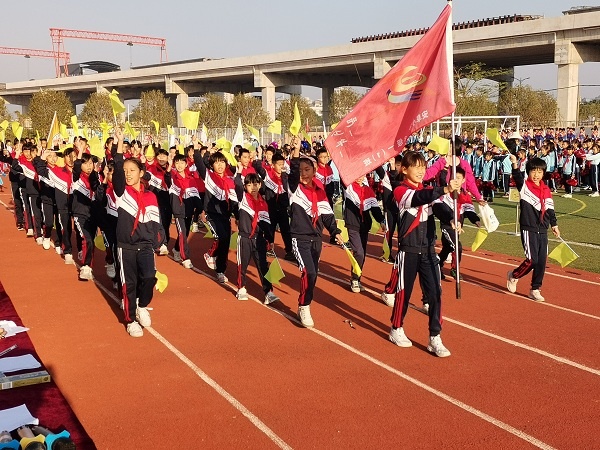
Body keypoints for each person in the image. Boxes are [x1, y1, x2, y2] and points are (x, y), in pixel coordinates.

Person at [381, 151, 460, 357]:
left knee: (435, 293)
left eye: (423, 167)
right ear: (404, 169)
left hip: (428, 250)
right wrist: (444, 188)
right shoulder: (401, 190)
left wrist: (452, 218)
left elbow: (439, 207)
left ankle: (435, 336)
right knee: (403, 293)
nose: (420, 171)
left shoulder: (428, 190)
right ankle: (396, 328)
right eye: (416, 167)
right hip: (408, 251)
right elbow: (419, 198)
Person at [112, 129, 166, 337]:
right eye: (126, 170)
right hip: (126, 246)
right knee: (129, 284)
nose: (128, 173)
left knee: (149, 277)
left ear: (141, 173)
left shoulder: (151, 196)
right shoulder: (121, 193)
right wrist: (119, 143)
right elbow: (118, 169)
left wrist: (159, 242)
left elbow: (156, 223)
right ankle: (130, 320)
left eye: (132, 170)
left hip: (145, 246)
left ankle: (142, 305)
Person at [288, 137, 342, 327]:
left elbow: (327, 215)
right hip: (299, 238)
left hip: (316, 239)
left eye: (307, 169)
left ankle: (304, 303)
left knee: (313, 275)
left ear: (314, 171)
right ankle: (304, 307)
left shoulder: (320, 191)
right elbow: (293, 171)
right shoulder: (294, 189)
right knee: (308, 272)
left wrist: (335, 231)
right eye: (301, 170)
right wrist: (296, 151)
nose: (303, 173)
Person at [506, 154, 560, 302]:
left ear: (543, 173)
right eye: (533, 171)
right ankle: (514, 275)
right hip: (528, 228)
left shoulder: (546, 190)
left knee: (541, 262)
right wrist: (515, 164)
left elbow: (550, 210)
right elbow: (517, 177)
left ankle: (535, 289)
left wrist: (554, 224)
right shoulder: (524, 187)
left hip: (543, 229)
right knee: (532, 260)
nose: (536, 175)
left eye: (539, 171)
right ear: (528, 172)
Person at [233, 172, 280, 304]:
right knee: (242, 265)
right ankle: (241, 288)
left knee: (263, 265)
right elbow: (237, 185)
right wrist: (238, 172)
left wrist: (270, 240)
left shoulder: (263, 203)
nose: (252, 187)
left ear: (260, 185)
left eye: (255, 184)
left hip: (259, 239)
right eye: (249, 185)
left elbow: (266, 224)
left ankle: (268, 292)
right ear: (245, 187)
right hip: (245, 238)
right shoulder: (243, 198)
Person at [193, 146, 237, 283]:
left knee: (226, 242)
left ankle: (220, 270)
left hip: (225, 215)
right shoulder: (208, 176)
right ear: (212, 165)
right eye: (216, 163)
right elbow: (199, 163)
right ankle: (210, 254)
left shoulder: (230, 180)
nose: (220, 165)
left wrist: (237, 216)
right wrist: (197, 150)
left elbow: (234, 200)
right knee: (220, 237)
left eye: (222, 162)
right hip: (212, 214)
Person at [433, 166, 481, 280]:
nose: (456, 180)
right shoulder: (446, 193)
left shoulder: (465, 195)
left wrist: (475, 219)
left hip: (459, 226)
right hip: (448, 225)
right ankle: (455, 269)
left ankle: (437, 264)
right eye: (454, 178)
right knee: (456, 246)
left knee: (448, 247)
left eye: (459, 178)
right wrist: (450, 219)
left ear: (463, 180)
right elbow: (439, 207)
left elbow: (469, 209)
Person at [341, 175, 385, 292]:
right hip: (352, 224)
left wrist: (381, 221)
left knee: (362, 253)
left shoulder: (368, 190)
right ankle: (355, 279)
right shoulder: (348, 187)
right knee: (359, 252)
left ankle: (357, 278)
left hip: (364, 225)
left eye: (362, 175)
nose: (359, 177)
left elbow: (375, 209)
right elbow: (342, 175)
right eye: (357, 175)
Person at [252, 151, 295, 261]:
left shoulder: (286, 176)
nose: (281, 167)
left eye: (282, 164)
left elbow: (287, 188)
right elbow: (258, 167)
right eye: (279, 164)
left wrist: (284, 175)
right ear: (273, 165)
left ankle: (289, 251)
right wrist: (258, 156)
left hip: (283, 208)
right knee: (270, 229)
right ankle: (269, 248)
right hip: (270, 207)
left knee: (286, 229)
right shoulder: (268, 175)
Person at [72, 149, 100, 281]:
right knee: (87, 239)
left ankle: (89, 263)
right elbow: (76, 167)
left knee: (90, 241)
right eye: (86, 163)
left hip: (93, 214)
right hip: (80, 213)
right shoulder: (77, 177)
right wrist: (80, 151)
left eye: (90, 163)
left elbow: (97, 188)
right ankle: (86, 267)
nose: (89, 166)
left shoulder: (96, 177)